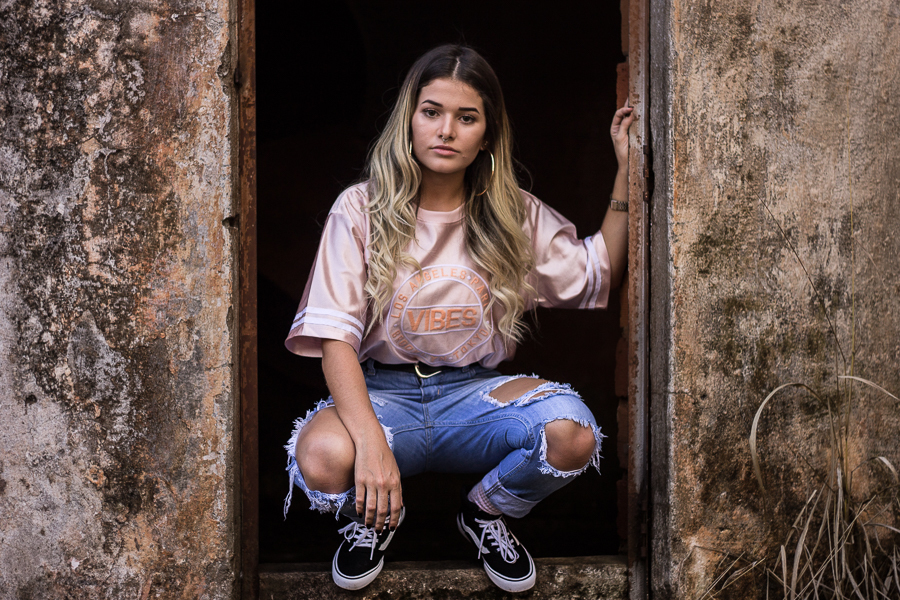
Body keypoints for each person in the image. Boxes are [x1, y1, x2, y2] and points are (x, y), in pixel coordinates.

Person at [282, 44, 634, 593]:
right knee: (323, 457)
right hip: (384, 398)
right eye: (432, 112)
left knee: (572, 432)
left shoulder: (511, 212)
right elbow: (335, 339)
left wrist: (626, 174)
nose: (446, 130)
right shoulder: (360, 208)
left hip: (474, 399)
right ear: (410, 120)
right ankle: (371, 519)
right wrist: (370, 444)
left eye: (466, 118)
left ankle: (485, 513)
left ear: (487, 135)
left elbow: (597, 271)